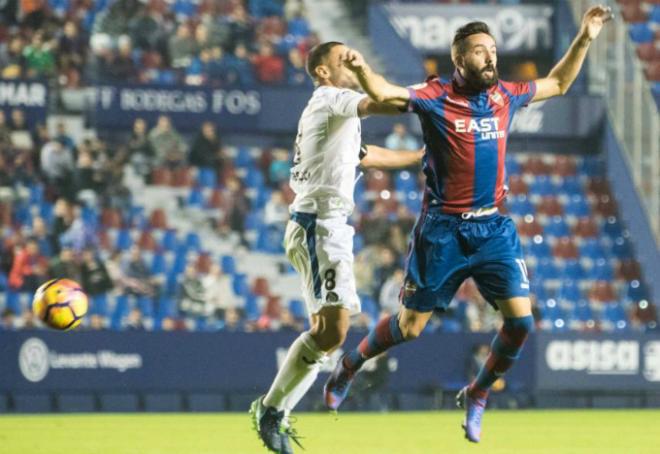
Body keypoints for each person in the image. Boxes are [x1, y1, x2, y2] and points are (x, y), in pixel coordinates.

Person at [324, 6, 613, 444]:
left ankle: (478, 393)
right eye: (480, 52)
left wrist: (586, 37)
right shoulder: (435, 95)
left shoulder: (505, 95)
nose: (490, 58)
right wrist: (363, 68)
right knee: (410, 328)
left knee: (521, 323)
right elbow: (385, 92)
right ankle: (351, 364)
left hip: (493, 229)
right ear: (460, 61)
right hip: (443, 231)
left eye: (493, 50)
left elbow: (559, 83)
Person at [249, 41, 424, 454]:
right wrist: (432, 102)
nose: (351, 61)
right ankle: (272, 409)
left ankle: (275, 411)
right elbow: (385, 103)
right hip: (318, 225)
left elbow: (370, 155)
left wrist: (420, 155)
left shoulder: (335, 116)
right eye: (342, 58)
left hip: (325, 226)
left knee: (327, 334)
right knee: (333, 331)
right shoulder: (331, 98)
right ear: (323, 72)